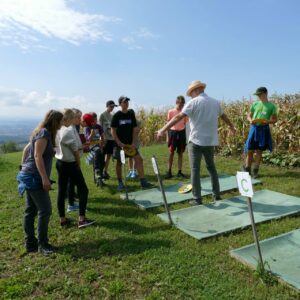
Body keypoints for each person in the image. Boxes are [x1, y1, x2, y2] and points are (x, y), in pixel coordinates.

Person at [157, 80, 236, 205]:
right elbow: (224, 116)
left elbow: (178, 117)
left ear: (196, 90)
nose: (191, 95)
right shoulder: (215, 102)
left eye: (191, 93)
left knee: (195, 169)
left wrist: (163, 129)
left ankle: (197, 199)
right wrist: (232, 126)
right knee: (211, 168)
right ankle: (216, 195)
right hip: (210, 141)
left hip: (196, 141)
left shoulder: (193, 102)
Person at [17, 110, 63, 255]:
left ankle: (30, 243)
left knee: (30, 210)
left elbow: (26, 149)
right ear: (55, 121)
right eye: (61, 121)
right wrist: (44, 178)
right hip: (34, 177)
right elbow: (37, 155)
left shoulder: (41, 132)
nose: (62, 123)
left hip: (29, 174)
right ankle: (42, 244)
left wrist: (22, 166)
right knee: (45, 210)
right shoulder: (44, 133)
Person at [55, 109, 95, 228]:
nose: (78, 120)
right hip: (70, 163)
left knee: (61, 191)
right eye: (76, 117)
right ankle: (82, 219)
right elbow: (75, 151)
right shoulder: (68, 131)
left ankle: (62, 219)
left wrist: (82, 146)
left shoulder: (58, 130)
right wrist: (78, 164)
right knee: (83, 190)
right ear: (70, 118)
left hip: (60, 162)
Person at [111, 96, 154, 190]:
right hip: (120, 145)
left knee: (139, 159)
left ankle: (143, 182)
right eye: (124, 102)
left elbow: (135, 129)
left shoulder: (131, 114)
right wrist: (119, 143)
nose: (126, 103)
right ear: (120, 104)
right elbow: (113, 131)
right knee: (119, 163)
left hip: (130, 144)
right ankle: (120, 183)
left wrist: (134, 142)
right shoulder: (117, 115)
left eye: (127, 102)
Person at [243, 87, 277, 178]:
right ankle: (247, 169)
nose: (258, 96)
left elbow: (274, 120)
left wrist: (268, 122)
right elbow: (249, 115)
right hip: (254, 128)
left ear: (265, 93)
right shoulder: (255, 104)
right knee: (250, 150)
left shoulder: (272, 106)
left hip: (263, 129)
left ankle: (255, 171)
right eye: (257, 95)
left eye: (260, 94)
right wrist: (250, 120)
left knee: (259, 151)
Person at [165, 96, 188, 179]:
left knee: (180, 153)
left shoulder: (185, 113)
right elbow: (167, 125)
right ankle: (169, 171)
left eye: (182, 104)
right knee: (171, 153)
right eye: (180, 103)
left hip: (181, 133)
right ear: (176, 102)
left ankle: (179, 172)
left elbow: (185, 124)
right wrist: (167, 137)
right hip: (172, 133)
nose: (181, 105)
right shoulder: (171, 112)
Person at [82, 112, 105, 184]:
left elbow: (103, 136)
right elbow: (88, 140)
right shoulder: (87, 128)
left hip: (100, 145)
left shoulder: (98, 126)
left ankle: (100, 176)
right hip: (92, 145)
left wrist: (102, 142)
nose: (95, 122)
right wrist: (91, 134)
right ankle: (97, 172)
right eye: (93, 120)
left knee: (102, 161)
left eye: (96, 120)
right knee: (97, 152)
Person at [99, 100, 117, 179]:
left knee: (109, 155)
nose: (112, 108)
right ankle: (100, 173)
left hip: (111, 138)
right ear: (107, 106)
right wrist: (102, 138)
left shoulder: (112, 116)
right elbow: (100, 128)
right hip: (105, 139)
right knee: (102, 156)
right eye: (111, 106)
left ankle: (105, 171)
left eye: (113, 107)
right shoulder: (102, 115)